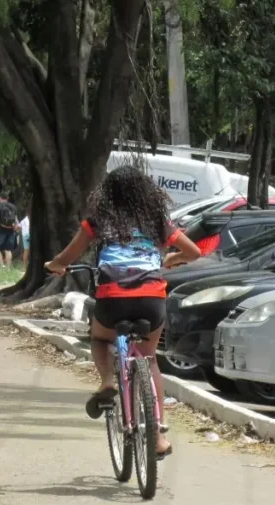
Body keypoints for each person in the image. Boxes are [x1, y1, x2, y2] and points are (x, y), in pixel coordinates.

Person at [44, 166, 202, 459]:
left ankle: (107, 382)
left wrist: (55, 265)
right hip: (151, 299)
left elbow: (69, 254)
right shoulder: (158, 220)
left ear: (109, 194)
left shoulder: (99, 220)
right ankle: (157, 439)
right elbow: (194, 251)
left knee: (101, 339)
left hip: (113, 297)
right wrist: (173, 259)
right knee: (150, 358)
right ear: (146, 192)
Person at [0, 193, 18, 267]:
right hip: (11, 230)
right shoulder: (13, 206)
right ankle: (8, 267)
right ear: (7, 198)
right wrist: (16, 227)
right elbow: (16, 220)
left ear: (0, 198)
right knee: (8, 249)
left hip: (0, 230)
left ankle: (2, 266)